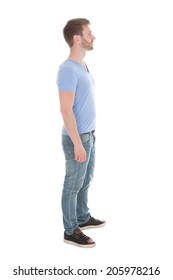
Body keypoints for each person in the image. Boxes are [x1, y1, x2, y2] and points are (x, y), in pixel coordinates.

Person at [57, 18, 105, 248]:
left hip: (89, 135)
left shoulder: (83, 66)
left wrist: (87, 138)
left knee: (85, 180)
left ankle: (82, 216)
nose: (93, 37)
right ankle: (70, 229)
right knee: (72, 184)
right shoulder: (67, 69)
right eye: (89, 33)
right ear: (77, 38)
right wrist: (77, 143)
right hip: (77, 138)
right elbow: (65, 110)